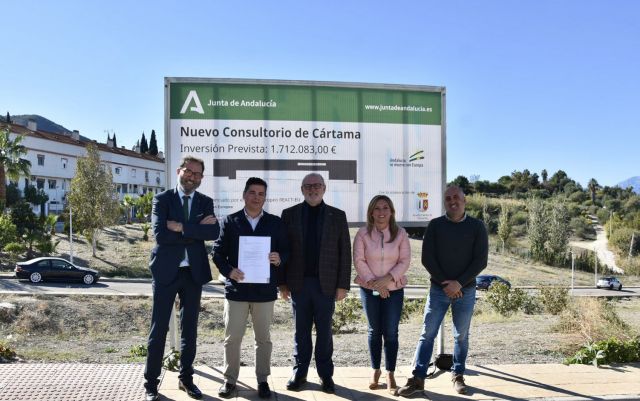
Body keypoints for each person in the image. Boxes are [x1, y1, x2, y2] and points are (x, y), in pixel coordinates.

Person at [396, 186, 488, 396]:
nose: (452, 201)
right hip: (438, 290)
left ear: (465, 200)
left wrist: (459, 283)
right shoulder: (436, 225)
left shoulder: (477, 227)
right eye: (448, 198)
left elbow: (480, 261)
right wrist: (448, 285)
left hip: (466, 291)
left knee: (461, 337)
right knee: (427, 334)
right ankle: (418, 378)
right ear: (444, 202)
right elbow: (427, 259)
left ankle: (458, 375)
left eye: (456, 197)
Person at [144, 156, 220, 401]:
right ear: (180, 170)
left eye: (198, 174)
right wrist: (195, 229)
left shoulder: (205, 201)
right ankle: (151, 384)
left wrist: (181, 227)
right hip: (166, 271)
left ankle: (186, 379)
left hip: (193, 273)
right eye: (189, 172)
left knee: (190, 330)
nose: (193, 177)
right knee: (158, 330)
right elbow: (160, 235)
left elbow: (213, 231)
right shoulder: (162, 199)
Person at [212, 177, 289, 399]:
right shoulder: (230, 221)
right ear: (244, 195)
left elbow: (287, 251)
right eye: (252, 193)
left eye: (261, 194)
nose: (257, 197)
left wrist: (279, 257)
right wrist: (229, 271)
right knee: (232, 338)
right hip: (237, 291)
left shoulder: (275, 222)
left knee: (263, 339)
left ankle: (263, 380)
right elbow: (217, 253)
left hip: (264, 292)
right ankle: (229, 380)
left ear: (265, 198)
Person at [279, 173, 351, 394]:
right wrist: (282, 283)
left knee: (324, 332)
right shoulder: (288, 215)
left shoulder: (338, 216)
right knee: (300, 332)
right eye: (308, 186)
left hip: (326, 285)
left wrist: (343, 285)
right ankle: (299, 372)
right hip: (298, 284)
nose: (313, 189)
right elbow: (282, 249)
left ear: (324, 188)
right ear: (302, 190)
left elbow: (344, 252)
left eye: (317, 185)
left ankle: (325, 375)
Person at [353, 195, 410, 394]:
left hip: (394, 290)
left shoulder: (401, 233)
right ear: (371, 212)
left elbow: (404, 261)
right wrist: (376, 284)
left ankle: (390, 372)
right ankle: (375, 370)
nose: (381, 212)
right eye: (377, 208)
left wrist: (387, 280)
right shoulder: (362, 234)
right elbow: (359, 261)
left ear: (391, 212)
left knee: (391, 332)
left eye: (385, 208)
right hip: (369, 290)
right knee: (374, 331)